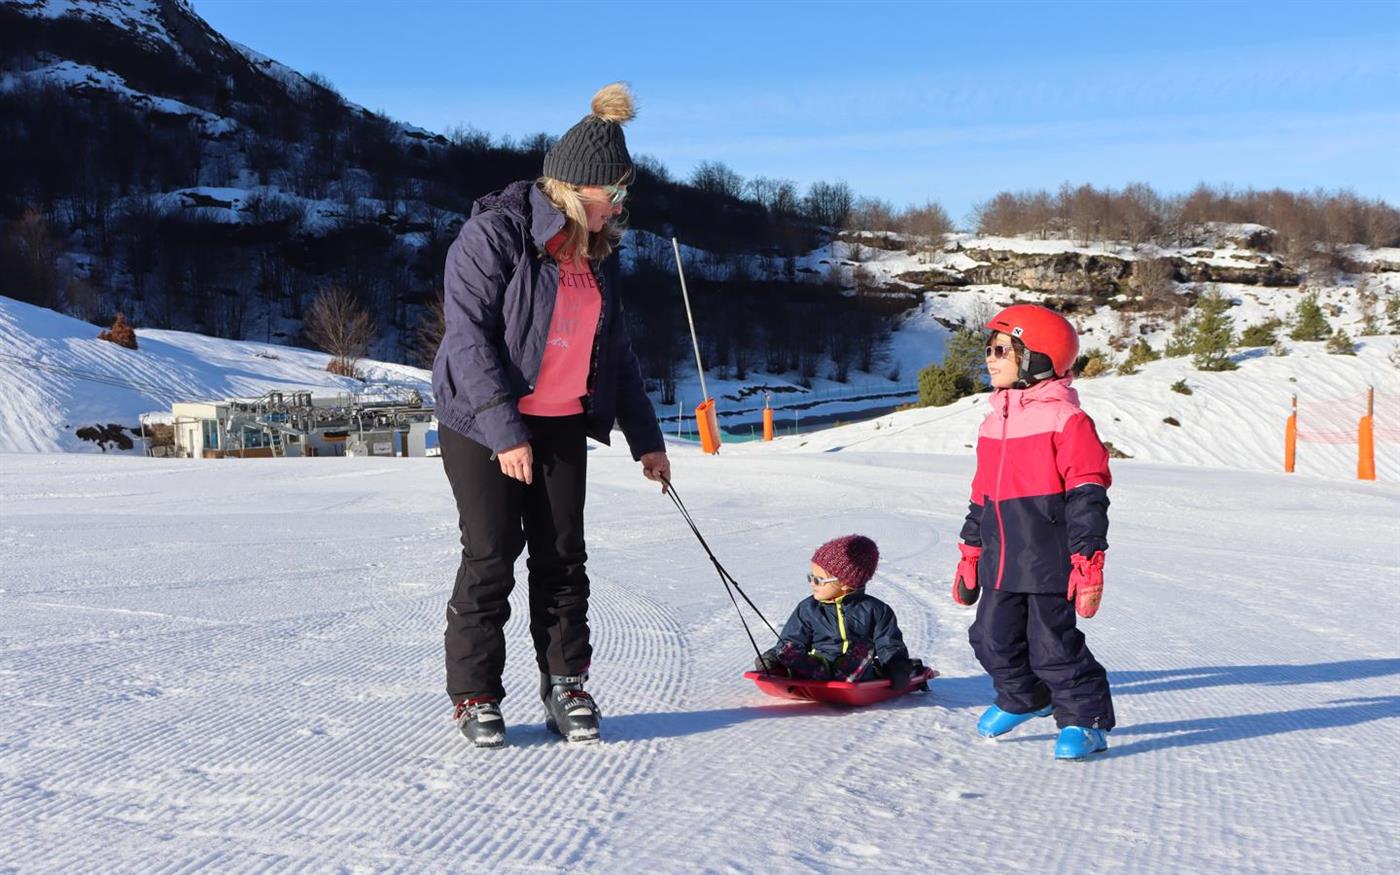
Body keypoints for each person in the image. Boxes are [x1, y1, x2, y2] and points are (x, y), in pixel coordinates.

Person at [432, 83, 669, 748]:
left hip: (562, 420)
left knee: (563, 558)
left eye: (622, 193)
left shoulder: (598, 252)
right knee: (490, 556)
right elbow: (468, 340)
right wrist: (506, 431)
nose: (617, 205)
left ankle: (567, 683)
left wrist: (646, 440)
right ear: (572, 187)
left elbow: (615, 352)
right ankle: (475, 693)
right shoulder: (494, 234)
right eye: (610, 192)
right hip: (483, 422)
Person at [952, 303, 1115, 760]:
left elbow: (1088, 492)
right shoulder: (992, 422)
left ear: (1038, 358)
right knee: (990, 639)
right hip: (1000, 558)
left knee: (1052, 647)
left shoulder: (1066, 420)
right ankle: (1025, 698)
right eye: (989, 349)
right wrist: (970, 552)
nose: (990, 358)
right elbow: (982, 495)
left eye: (1002, 350)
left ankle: (1085, 722)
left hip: (1047, 559)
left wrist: (1088, 559)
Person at [755, 535, 915, 689]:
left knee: (862, 652)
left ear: (846, 583)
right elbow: (791, 639)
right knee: (791, 652)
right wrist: (774, 657)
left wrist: (897, 668)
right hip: (819, 664)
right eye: (811, 577)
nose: (812, 583)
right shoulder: (808, 608)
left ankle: (850, 670)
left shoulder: (876, 610)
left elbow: (889, 645)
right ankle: (813, 671)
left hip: (858, 669)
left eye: (818, 580)